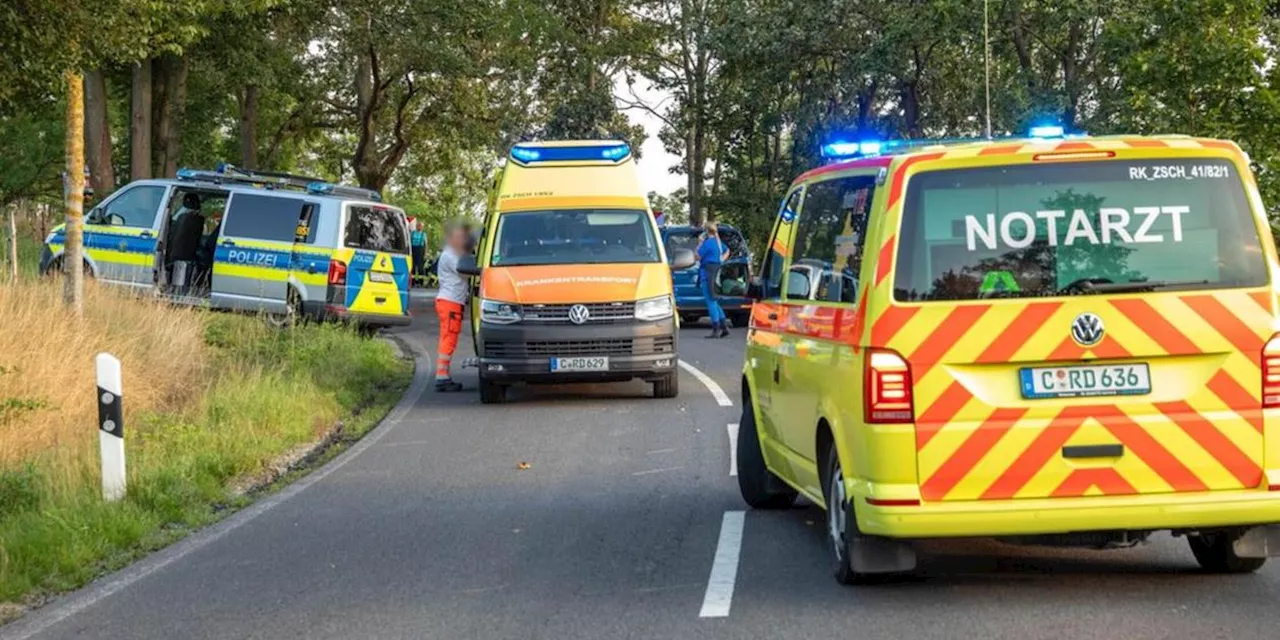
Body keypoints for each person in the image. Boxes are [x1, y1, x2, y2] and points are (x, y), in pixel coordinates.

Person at [433, 223, 470, 392]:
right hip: (450, 302)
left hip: (450, 301)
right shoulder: (450, 255)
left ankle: (443, 374)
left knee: (449, 337)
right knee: (449, 337)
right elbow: (464, 270)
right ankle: (442, 376)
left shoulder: (451, 253)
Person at [697, 221, 731, 338]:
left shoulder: (707, 244)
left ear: (706, 231)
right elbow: (727, 250)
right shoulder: (717, 243)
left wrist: (700, 243)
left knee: (710, 301)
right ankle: (724, 327)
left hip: (707, 273)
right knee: (715, 301)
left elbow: (697, 256)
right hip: (716, 271)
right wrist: (722, 259)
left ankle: (716, 328)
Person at [410, 221, 427, 287]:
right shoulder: (413, 233)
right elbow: (410, 242)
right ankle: (413, 282)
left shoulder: (424, 234)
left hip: (420, 250)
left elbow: (426, 244)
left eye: (421, 226)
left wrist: (425, 253)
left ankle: (420, 282)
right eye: (419, 226)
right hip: (413, 250)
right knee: (413, 267)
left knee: (420, 267)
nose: (420, 227)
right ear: (417, 226)